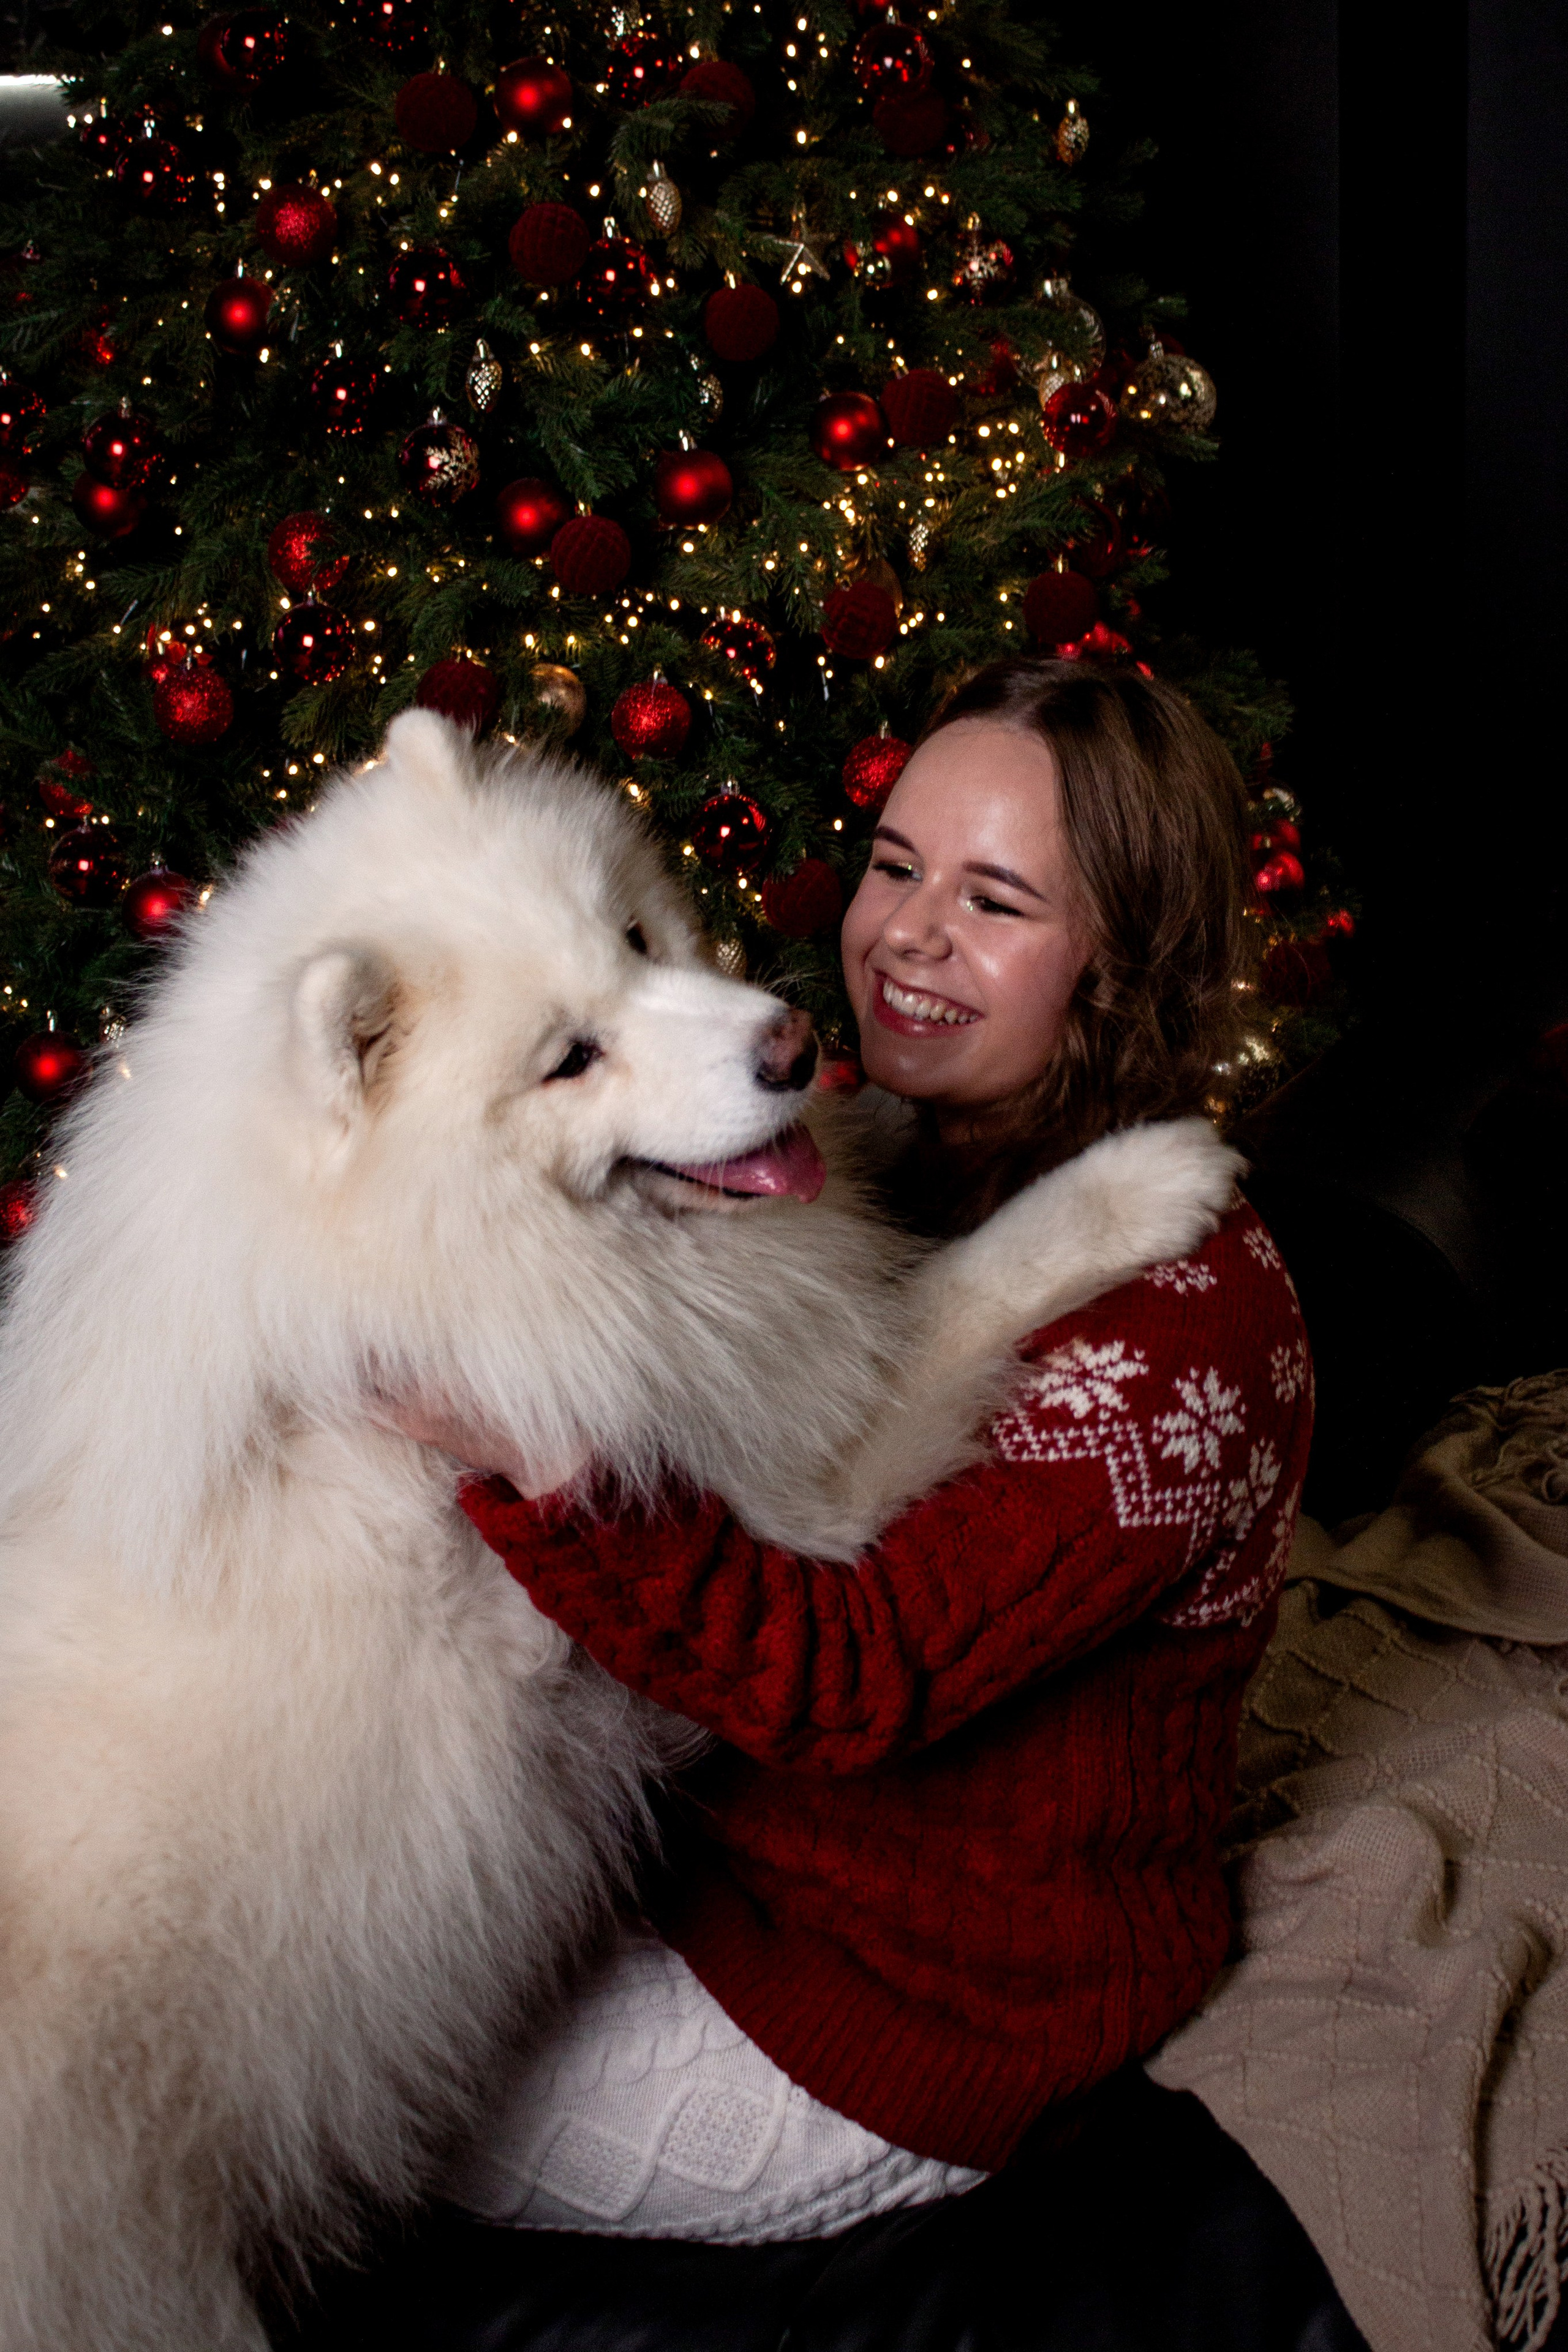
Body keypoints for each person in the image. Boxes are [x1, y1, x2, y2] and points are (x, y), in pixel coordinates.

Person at [284, 660, 1343, 2350]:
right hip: (716, 1872)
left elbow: (847, 1677)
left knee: (304, 2112)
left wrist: (530, 1460)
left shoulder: (1186, 1331)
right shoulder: (866, 1142)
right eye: (897, 864)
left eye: (994, 900)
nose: (907, 934)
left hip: (914, 2012)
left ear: (1122, 958)